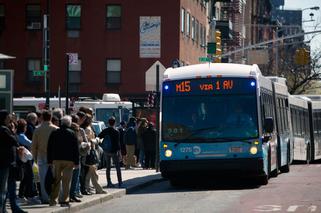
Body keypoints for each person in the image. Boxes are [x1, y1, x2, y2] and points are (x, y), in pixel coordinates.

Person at [47, 115, 79, 207]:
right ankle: (64, 200)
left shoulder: (54, 132)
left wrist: (49, 160)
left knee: (56, 180)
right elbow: (75, 149)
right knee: (66, 181)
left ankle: (53, 200)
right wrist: (76, 162)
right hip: (69, 160)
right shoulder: (72, 133)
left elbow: (49, 147)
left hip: (56, 159)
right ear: (69, 123)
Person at [31, 110, 59, 204]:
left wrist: (34, 158)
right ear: (51, 117)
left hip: (41, 155)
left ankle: (45, 197)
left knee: (42, 178)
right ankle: (55, 197)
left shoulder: (37, 129)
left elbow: (34, 146)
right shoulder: (56, 129)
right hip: (55, 156)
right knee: (55, 177)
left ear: (42, 118)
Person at [0, 110, 24, 213]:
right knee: (3, 188)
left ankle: (4, 208)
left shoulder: (4, 129)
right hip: (4, 162)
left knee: (7, 187)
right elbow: (14, 140)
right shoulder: (4, 129)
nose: (10, 120)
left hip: (6, 162)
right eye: (8, 118)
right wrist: (13, 131)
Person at [16, 119, 39, 205]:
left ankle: (21, 196)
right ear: (23, 127)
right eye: (25, 126)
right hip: (26, 159)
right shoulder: (21, 135)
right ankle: (30, 196)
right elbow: (30, 143)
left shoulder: (17, 134)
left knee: (25, 178)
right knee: (30, 177)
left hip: (22, 158)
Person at [98, 116, 123, 188]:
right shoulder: (116, 132)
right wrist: (120, 153)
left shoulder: (105, 130)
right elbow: (118, 143)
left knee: (108, 167)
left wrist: (103, 145)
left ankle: (109, 182)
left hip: (106, 151)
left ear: (108, 123)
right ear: (114, 123)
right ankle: (120, 182)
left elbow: (99, 137)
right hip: (114, 151)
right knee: (117, 167)